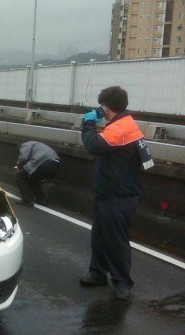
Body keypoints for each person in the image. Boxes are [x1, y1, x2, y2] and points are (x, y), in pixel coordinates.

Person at [79, 86, 150, 301]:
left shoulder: (120, 128)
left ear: (106, 107)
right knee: (100, 235)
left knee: (115, 239)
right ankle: (98, 273)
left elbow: (93, 145)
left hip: (119, 196)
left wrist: (89, 123)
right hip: (109, 192)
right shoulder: (122, 125)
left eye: (101, 106)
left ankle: (122, 283)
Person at [14, 141, 61, 207]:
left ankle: (28, 200)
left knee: (19, 175)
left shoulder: (24, 146)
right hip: (55, 164)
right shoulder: (35, 145)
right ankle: (41, 199)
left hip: (46, 162)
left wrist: (18, 166)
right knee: (32, 177)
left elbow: (23, 157)